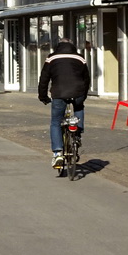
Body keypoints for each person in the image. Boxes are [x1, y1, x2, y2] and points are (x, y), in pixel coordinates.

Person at [37, 39, 91, 169]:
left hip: (59, 93)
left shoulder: (52, 58)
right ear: (72, 46)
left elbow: (44, 79)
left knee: (56, 122)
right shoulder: (80, 58)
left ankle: (58, 153)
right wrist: (83, 95)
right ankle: (77, 134)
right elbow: (86, 78)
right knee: (79, 107)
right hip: (78, 92)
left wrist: (43, 97)